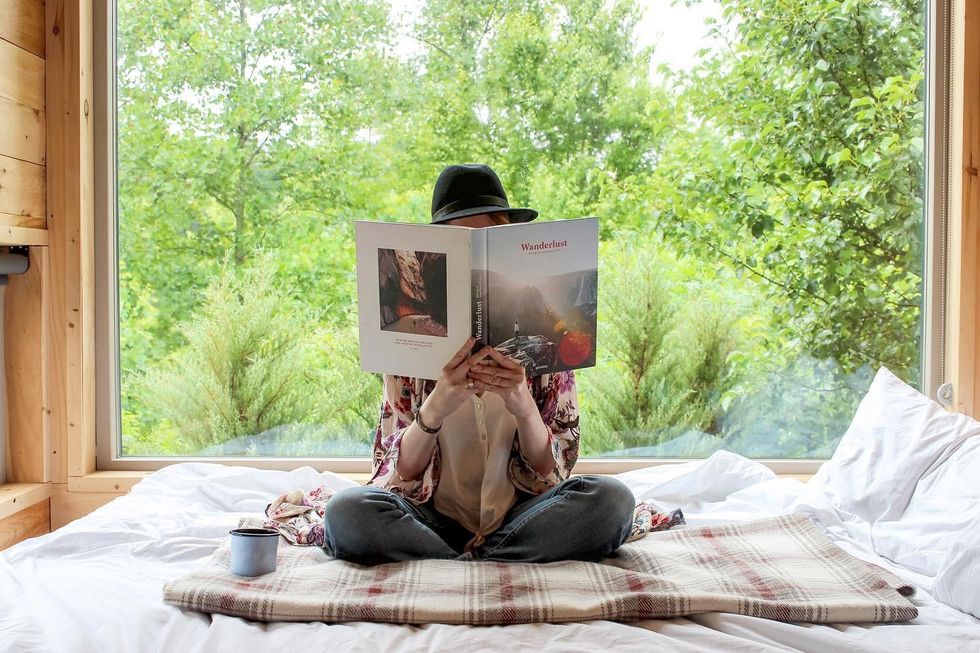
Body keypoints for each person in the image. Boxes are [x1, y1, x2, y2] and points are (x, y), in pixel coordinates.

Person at [323, 163, 636, 565]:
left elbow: (554, 474)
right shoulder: (410, 349)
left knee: (611, 501)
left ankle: (465, 561)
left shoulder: (544, 349)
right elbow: (394, 475)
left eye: (484, 237)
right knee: (348, 512)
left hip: (522, 518)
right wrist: (438, 403)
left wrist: (521, 402)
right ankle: (488, 561)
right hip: (431, 521)